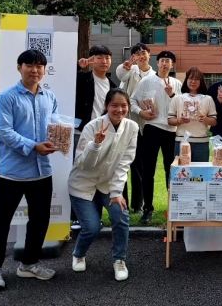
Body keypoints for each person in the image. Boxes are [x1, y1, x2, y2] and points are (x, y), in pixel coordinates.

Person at [0, 49, 59, 291]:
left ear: (45, 70)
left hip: (41, 171)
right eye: (30, 65)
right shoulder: (6, 98)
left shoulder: (50, 97)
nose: (35, 70)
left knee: (39, 220)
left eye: (40, 66)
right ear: (19, 68)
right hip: (11, 172)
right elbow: (4, 132)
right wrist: (33, 146)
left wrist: (60, 139)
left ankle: (29, 264)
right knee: (1, 222)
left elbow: (54, 126)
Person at [69, 89, 138, 281]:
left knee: (121, 217)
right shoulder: (92, 127)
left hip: (109, 184)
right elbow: (82, 163)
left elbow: (125, 163)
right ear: (106, 106)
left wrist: (117, 192)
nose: (119, 109)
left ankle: (119, 260)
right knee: (91, 228)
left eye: (123, 105)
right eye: (114, 105)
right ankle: (78, 254)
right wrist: (96, 145)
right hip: (83, 185)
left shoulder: (132, 128)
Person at [130, 51, 182, 224]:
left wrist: (171, 94)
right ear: (157, 63)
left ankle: (172, 207)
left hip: (172, 130)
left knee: (171, 170)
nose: (164, 64)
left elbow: (181, 106)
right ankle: (148, 208)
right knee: (148, 171)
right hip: (152, 128)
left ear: (172, 65)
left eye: (168, 61)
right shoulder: (147, 81)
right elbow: (132, 100)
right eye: (162, 61)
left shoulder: (177, 83)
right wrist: (141, 112)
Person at [74, 45, 118, 229]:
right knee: (81, 175)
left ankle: (96, 216)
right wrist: (79, 68)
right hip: (83, 133)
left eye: (107, 57)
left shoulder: (112, 85)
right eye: (100, 57)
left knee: (99, 176)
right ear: (92, 60)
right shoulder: (82, 78)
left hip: (103, 136)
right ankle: (79, 217)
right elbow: (64, 82)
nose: (104, 61)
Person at [115, 43, 157, 214]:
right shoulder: (129, 71)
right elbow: (120, 74)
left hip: (146, 126)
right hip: (126, 125)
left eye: (144, 53)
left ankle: (137, 205)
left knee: (140, 167)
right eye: (137, 53)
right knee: (122, 165)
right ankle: (121, 202)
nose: (141, 56)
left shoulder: (155, 75)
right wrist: (125, 66)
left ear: (149, 55)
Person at [168, 67, 217, 162]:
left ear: (201, 81)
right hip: (182, 141)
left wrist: (205, 119)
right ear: (186, 80)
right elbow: (170, 120)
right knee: (182, 173)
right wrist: (179, 120)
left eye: (196, 79)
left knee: (201, 173)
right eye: (190, 78)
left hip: (201, 143)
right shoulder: (178, 98)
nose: (193, 81)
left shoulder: (207, 99)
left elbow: (214, 121)